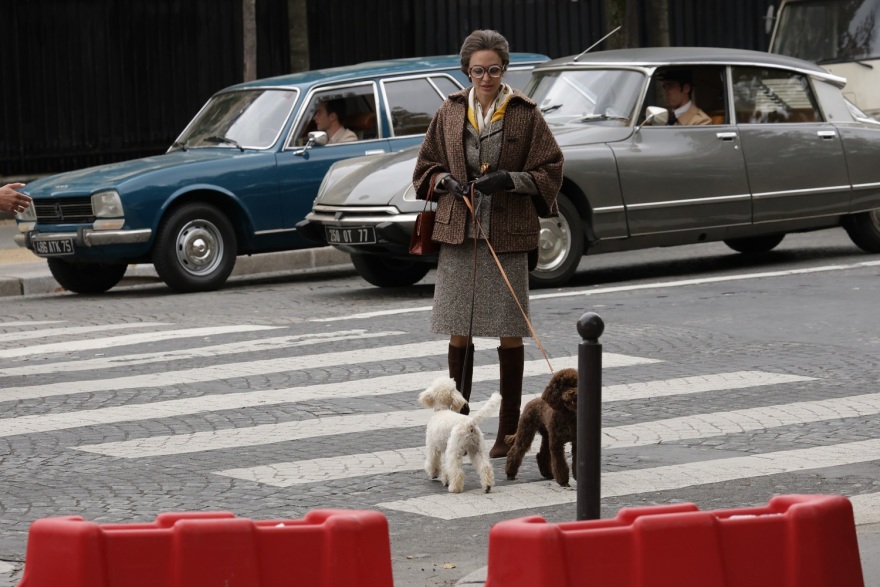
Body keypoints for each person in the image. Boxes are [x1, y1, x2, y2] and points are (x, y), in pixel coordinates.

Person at [412, 29, 564, 458]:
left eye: (494, 69)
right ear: (467, 70)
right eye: (478, 70)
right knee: (459, 333)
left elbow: (551, 169)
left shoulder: (525, 113)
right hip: (459, 233)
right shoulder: (449, 110)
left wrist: (511, 181)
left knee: (510, 332)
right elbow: (425, 166)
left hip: (508, 235)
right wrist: (444, 180)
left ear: (505, 69)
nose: (486, 77)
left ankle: (508, 433)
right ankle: (457, 430)